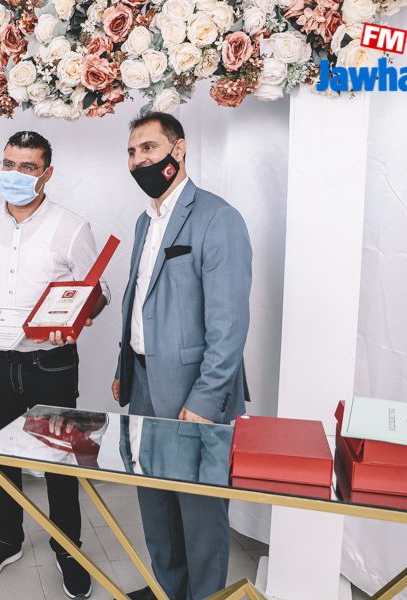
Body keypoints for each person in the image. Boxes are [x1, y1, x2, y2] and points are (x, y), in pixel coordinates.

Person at [0, 131, 109, 599]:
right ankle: (7, 539)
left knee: (60, 458)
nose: (14, 174)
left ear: (47, 173)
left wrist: (76, 317)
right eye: (8, 164)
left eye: (27, 167)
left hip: (51, 364)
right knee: (2, 457)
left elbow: (98, 291)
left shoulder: (72, 227)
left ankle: (68, 548)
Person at [112, 112, 252, 600]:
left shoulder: (218, 217)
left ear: (179, 148)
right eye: (132, 152)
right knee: (155, 501)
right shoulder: (144, 221)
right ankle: (168, 589)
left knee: (199, 511)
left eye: (148, 148)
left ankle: (204, 596)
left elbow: (229, 326)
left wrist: (206, 400)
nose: (139, 160)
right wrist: (124, 367)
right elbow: (139, 300)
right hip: (144, 383)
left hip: (194, 393)